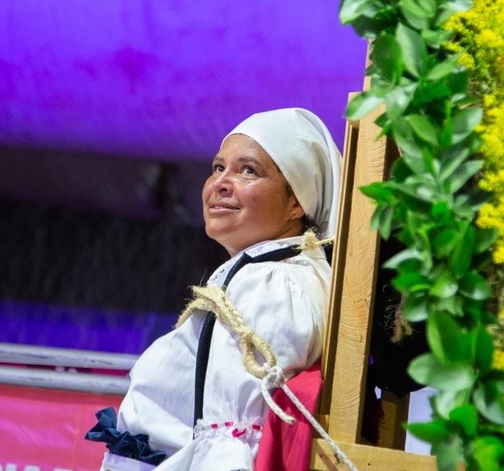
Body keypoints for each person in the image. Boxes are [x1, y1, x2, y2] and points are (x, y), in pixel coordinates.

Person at [88, 108, 342, 470]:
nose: (221, 183)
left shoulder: (271, 286)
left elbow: (232, 444)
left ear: (296, 201)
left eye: (248, 171)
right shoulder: (271, 274)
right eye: (218, 168)